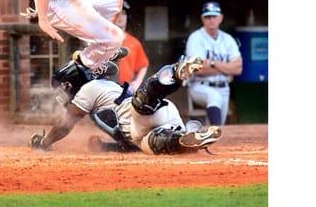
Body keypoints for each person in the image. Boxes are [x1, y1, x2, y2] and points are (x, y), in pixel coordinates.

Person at [29, 56, 222, 154]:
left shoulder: (89, 88)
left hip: (139, 117)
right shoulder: (106, 86)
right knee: (150, 145)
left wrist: (44, 142)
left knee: (140, 109)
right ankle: (183, 138)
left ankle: (174, 74)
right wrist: (106, 147)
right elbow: (127, 143)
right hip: (163, 115)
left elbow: (65, 124)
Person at [185, 2, 243, 125]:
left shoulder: (227, 39)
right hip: (199, 86)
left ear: (220, 17)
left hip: (224, 87)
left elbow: (238, 68)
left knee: (218, 125)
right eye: (207, 17)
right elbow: (198, 69)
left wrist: (211, 63)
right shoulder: (195, 38)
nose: (211, 20)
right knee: (214, 98)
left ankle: (210, 140)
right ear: (202, 18)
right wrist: (226, 67)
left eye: (214, 16)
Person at [114, 1, 149, 93]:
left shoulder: (134, 42)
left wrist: (137, 82)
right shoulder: (103, 40)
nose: (120, 17)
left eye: (123, 14)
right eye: (117, 14)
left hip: (126, 89)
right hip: (107, 87)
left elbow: (144, 65)